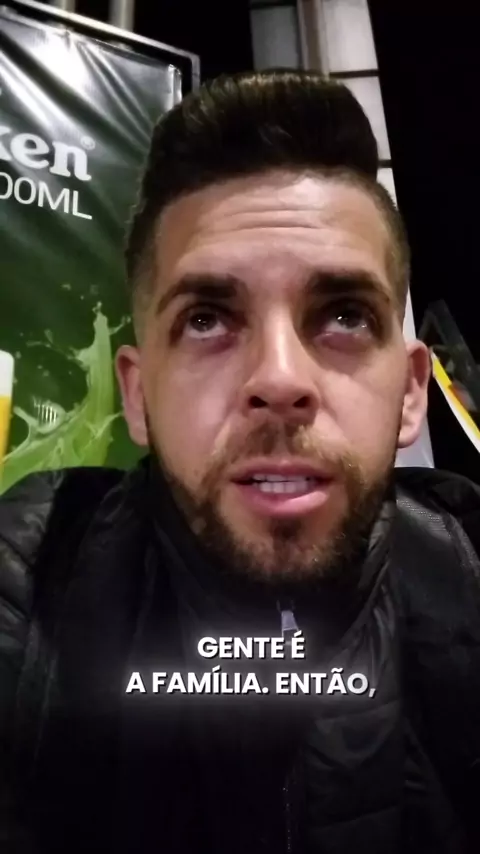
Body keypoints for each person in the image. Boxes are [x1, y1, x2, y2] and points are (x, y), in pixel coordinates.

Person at [0, 70, 479, 854]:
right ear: (137, 395)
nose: (279, 380)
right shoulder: (26, 597)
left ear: (412, 392)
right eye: (207, 319)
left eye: (345, 315)